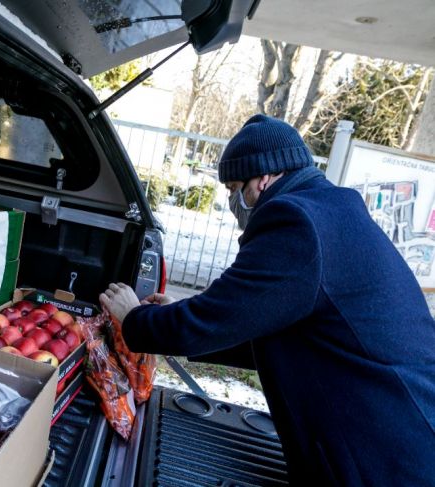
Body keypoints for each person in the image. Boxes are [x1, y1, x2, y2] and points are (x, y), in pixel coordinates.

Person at [100, 114, 435, 485]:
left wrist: (133, 319)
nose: (231, 200)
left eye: (234, 187)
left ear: (263, 177)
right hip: (402, 434)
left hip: (384, 457)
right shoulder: (328, 210)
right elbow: (265, 319)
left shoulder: (296, 221)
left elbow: (215, 318)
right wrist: (176, 311)